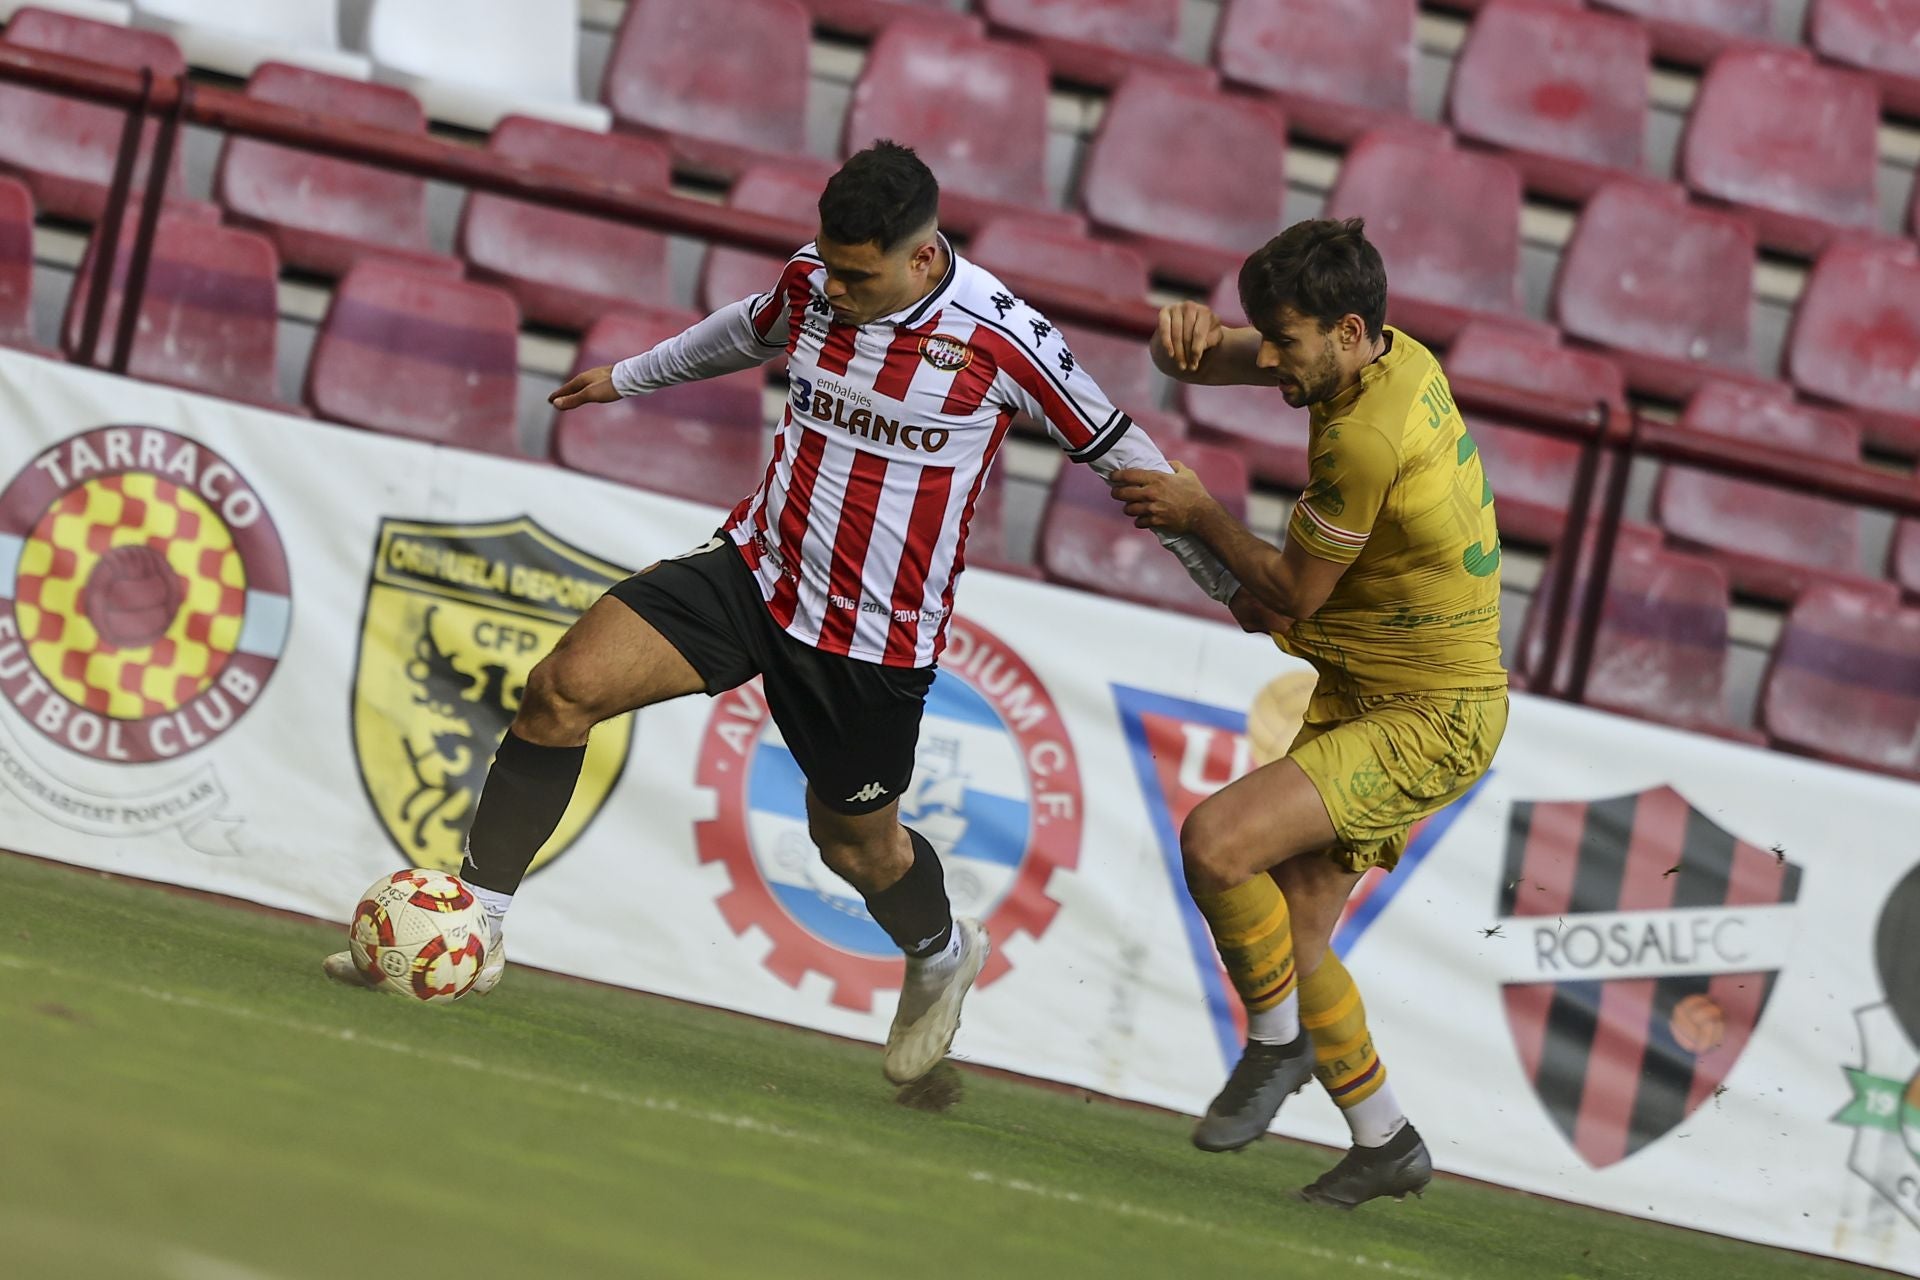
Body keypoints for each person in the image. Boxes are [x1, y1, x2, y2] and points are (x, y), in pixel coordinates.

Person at [325, 141, 1243, 1086]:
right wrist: (630, 375)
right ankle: (473, 928)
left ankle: (938, 951)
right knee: (561, 691)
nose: (834, 289)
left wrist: (1234, 587)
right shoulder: (815, 280)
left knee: (854, 844)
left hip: (870, 638)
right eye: (829, 266)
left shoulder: (1002, 339)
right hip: (754, 570)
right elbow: (748, 328)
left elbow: (1125, 456)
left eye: (858, 275)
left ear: (923, 258)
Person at [1111, 218, 1508, 1205]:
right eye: (1269, 337)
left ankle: (1278, 1043)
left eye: (1285, 341)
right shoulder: (1375, 353)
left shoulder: (1367, 439)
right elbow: (1225, 360)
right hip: (1375, 681)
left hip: (1429, 711)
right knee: (1300, 929)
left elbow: (1290, 593)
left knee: (1216, 842)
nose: (1274, 359)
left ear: (1343, 328)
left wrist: (1201, 514)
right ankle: (1385, 1139)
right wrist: (1185, 347)